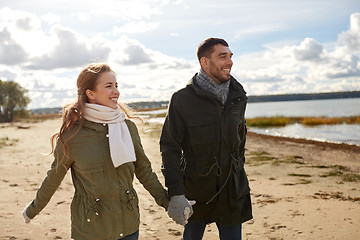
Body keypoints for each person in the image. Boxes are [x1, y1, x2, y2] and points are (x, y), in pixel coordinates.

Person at [22, 63, 169, 240]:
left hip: (129, 225)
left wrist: (168, 202)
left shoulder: (127, 128)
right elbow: (53, 178)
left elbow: (144, 171)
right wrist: (32, 209)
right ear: (90, 93)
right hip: (90, 228)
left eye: (116, 85)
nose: (116, 91)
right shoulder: (72, 136)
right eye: (109, 86)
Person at [160, 38, 253, 240]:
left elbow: (240, 138)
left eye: (230, 56)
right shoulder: (182, 99)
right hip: (196, 189)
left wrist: (238, 168)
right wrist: (176, 193)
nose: (229, 61)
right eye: (222, 56)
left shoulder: (239, 96)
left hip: (231, 190)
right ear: (204, 62)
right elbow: (170, 148)